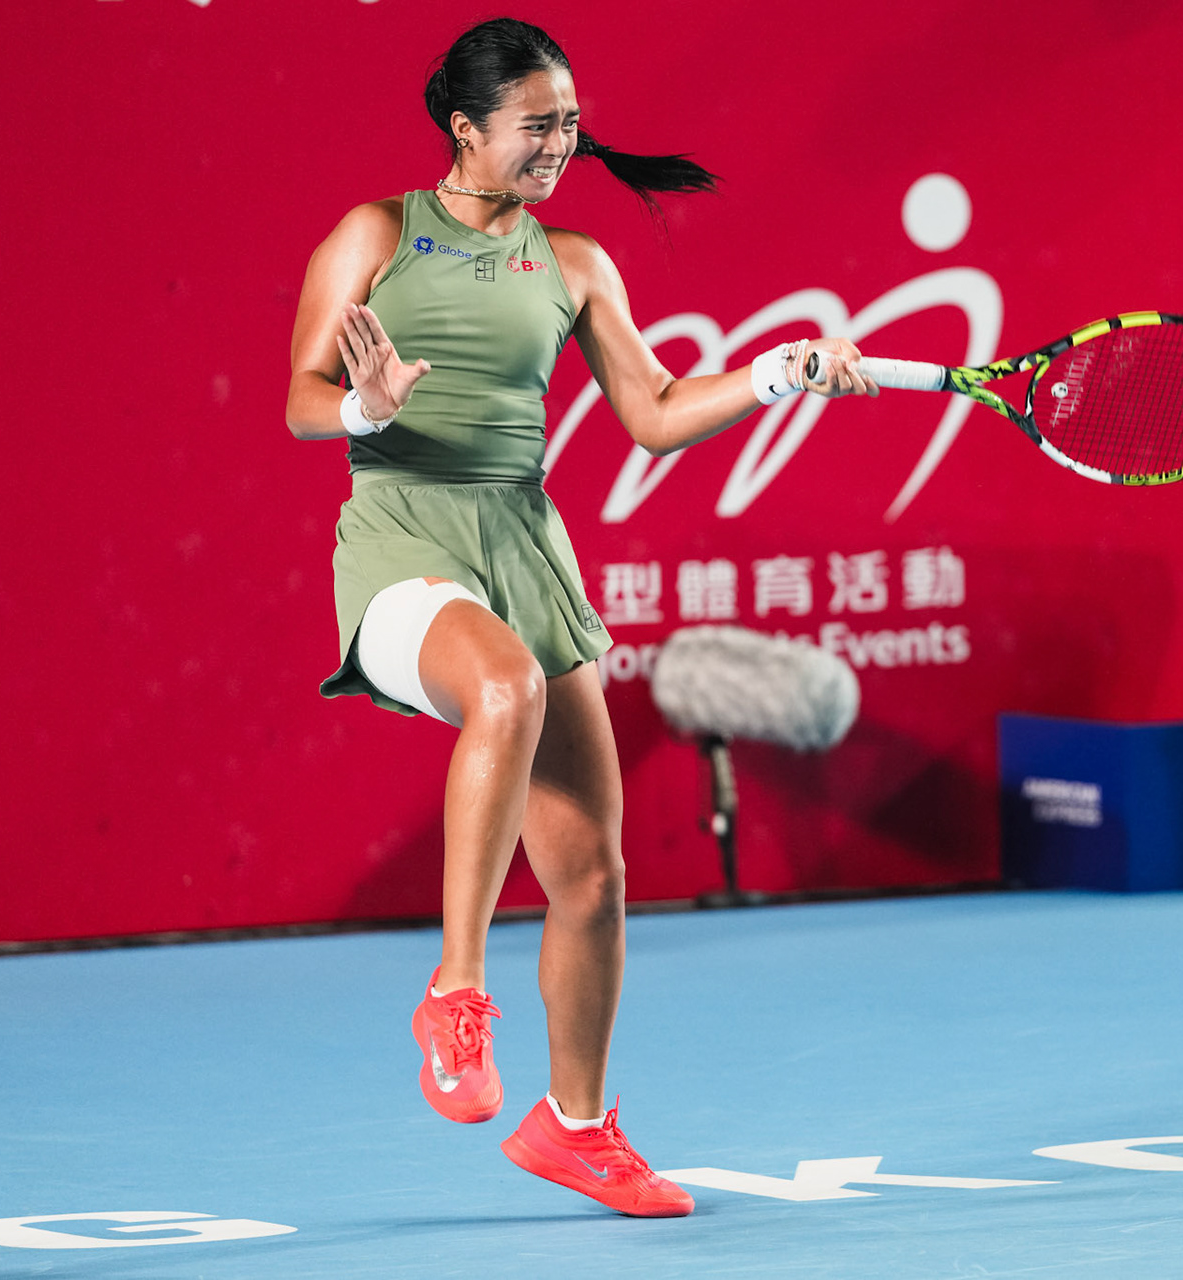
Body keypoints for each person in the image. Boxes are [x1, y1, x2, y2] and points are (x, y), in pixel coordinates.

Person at [284, 18, 877, 1214]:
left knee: (594, 877)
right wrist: (366, 403)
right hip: (402, 536)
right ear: (466, 128)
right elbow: (301, 397)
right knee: (497, 688)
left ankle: (576, 1125)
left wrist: (778, 373)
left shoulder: (578, 261)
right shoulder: (373, 233)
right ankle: (457, 992)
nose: (562, 142)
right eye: (536, 124)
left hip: (526, 549)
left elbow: (653, 410)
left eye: (569, 121)